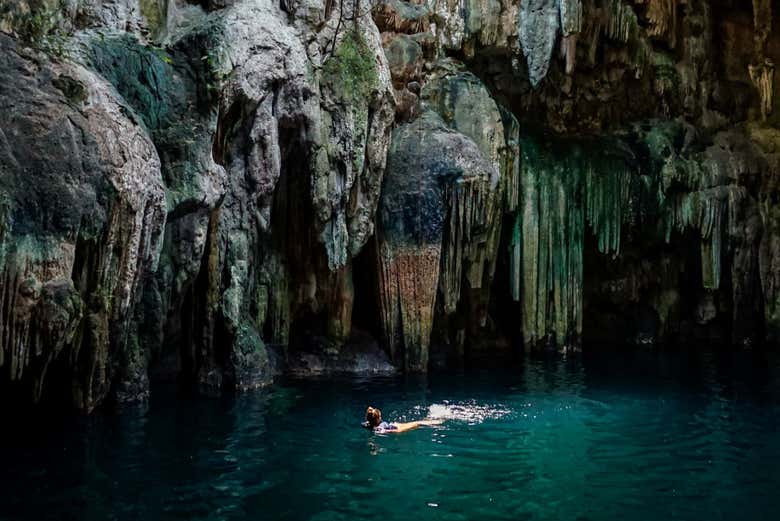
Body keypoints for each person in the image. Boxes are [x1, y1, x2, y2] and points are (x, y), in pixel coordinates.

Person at [362, 406, 443, 434]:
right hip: (397, 429)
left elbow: (366, 423)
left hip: (393, 425)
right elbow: (382, 430)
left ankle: (433, 420)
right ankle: (438, 421)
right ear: (378, 419)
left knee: (418, 423)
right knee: (417, 423)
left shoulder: (367, 424)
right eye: (380, 416)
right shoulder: (378, 428)